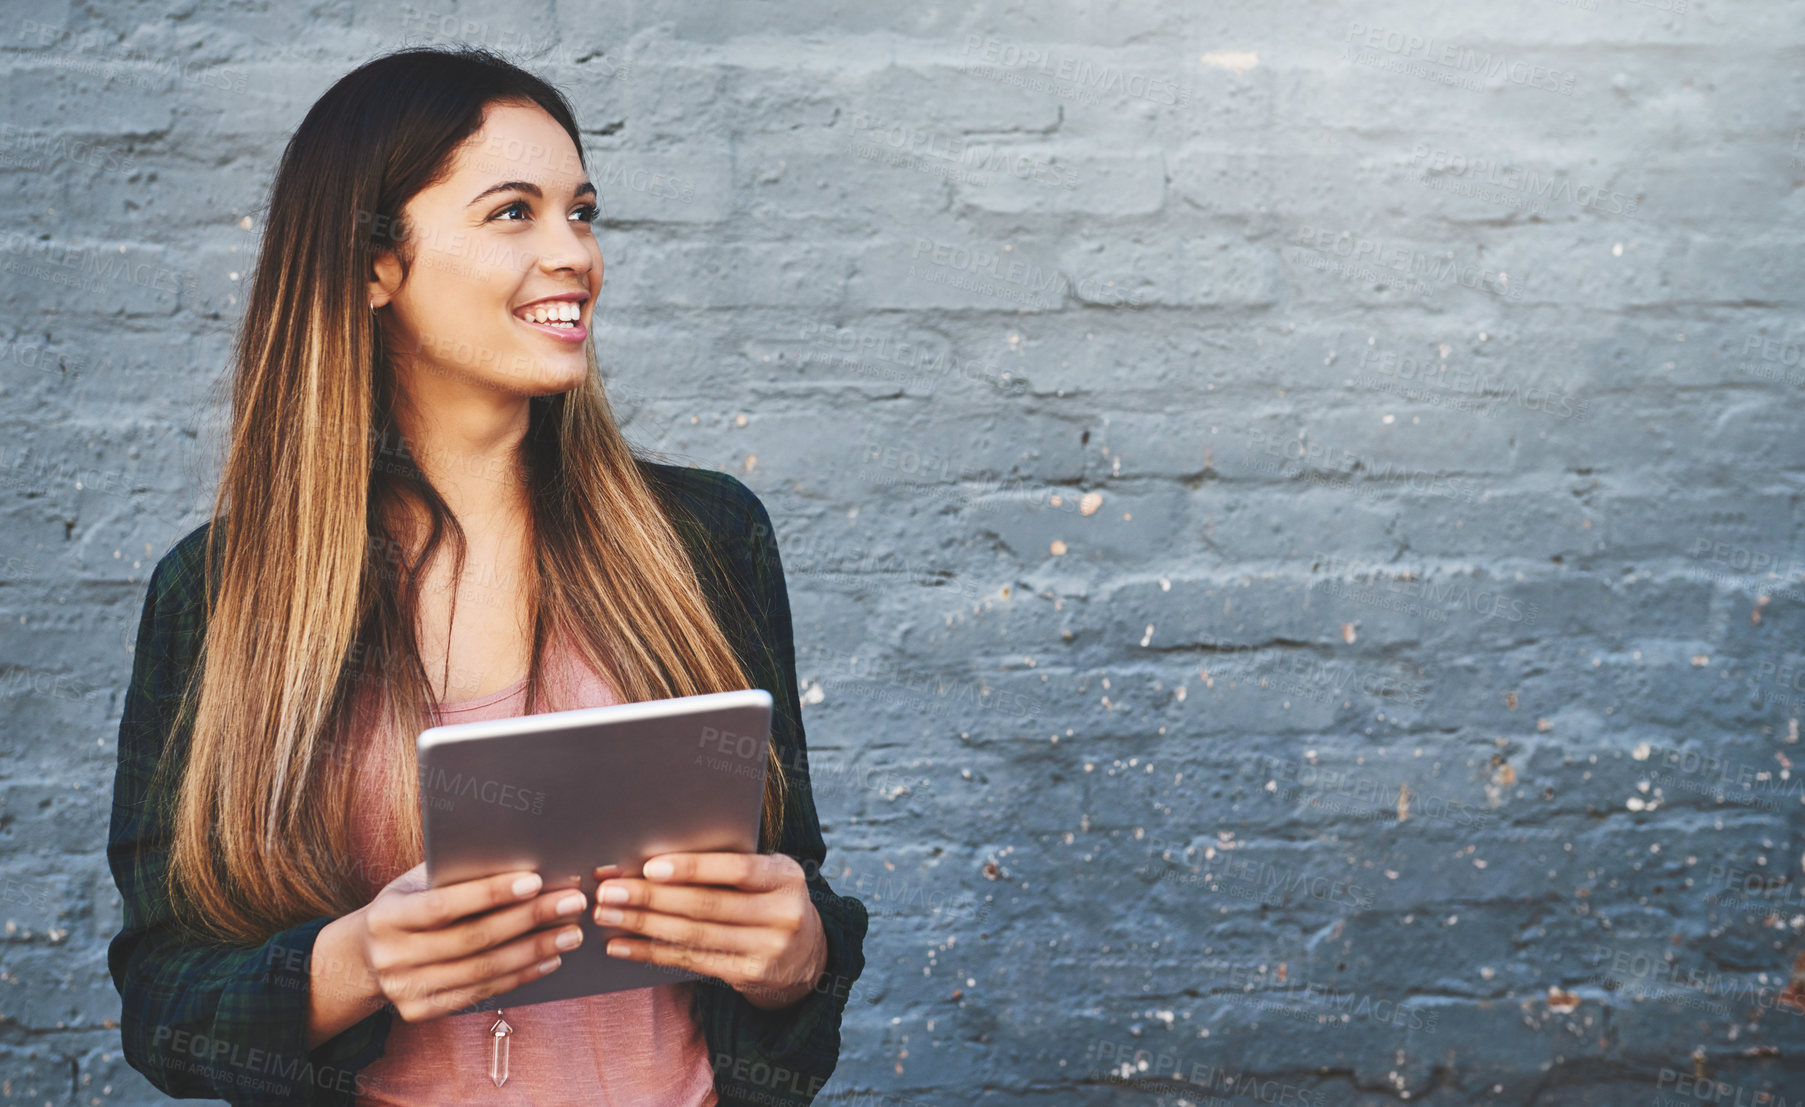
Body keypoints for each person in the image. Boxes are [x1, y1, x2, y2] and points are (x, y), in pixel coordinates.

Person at [105, 46, 866, 1106]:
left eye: (582, 212)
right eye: (514, 212)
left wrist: (799, 953)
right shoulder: (221, 593)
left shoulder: (703, 536)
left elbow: (793, 897)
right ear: (375, 264)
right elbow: (163, 1008)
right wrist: (359, 963)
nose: (574, 253)